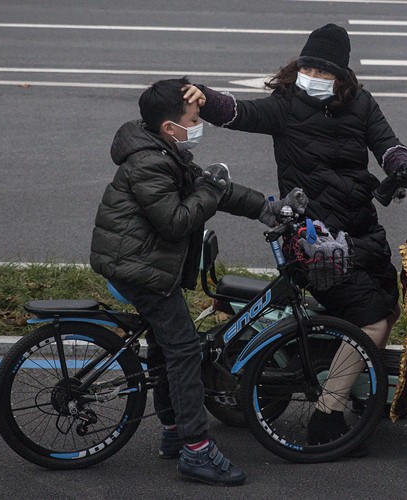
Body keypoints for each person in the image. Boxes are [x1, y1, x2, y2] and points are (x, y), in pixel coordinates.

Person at [184, 23, 407, 444]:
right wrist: (203, 96)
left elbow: (389, 145)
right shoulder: (285, 106)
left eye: (323, 71)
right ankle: (327, 416)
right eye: (307, 67)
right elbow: (238, 112)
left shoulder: (362, 106)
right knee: (371, 322)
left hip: (361, 232)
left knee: (386, 308)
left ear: (342, 77)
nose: (313, 75)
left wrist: (402, 166)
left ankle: (353, 389)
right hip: (314, 241)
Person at [89, 77, 307, 486]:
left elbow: (215, 192)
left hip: (140, 259)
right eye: (193, 117)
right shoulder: (150, 162)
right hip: (139, 267)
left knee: (165, 343)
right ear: (171, 127)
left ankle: (172, 432)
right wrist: (210, 186)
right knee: (185, 351)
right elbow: (176, 221)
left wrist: (269, 208)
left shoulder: (160, 147)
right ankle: (196, 450)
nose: (199, 122)